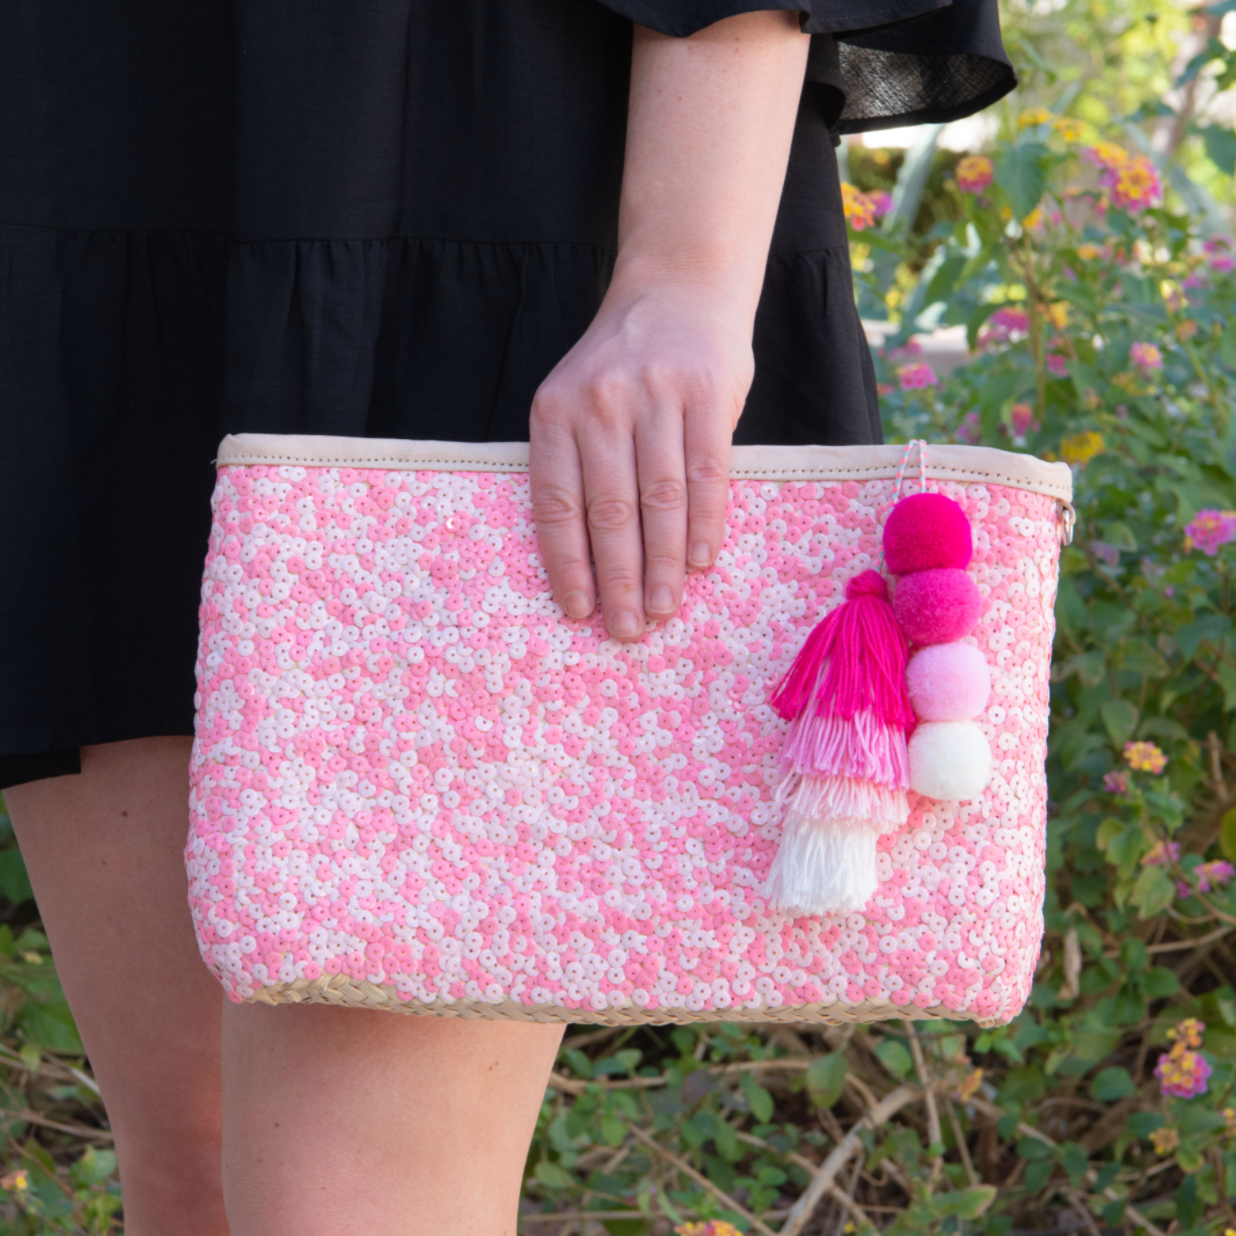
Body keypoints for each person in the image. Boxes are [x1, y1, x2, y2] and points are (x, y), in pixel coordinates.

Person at [0, 3, 1013, 1232]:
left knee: (343, 1204)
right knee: (191, 1168)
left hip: (458, 147)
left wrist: (683, 270)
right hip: (96, 138)